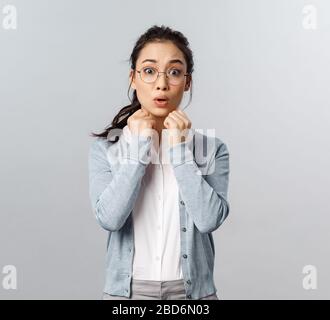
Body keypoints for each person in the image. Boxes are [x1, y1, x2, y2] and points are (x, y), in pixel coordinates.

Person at [89, 25, 230, 300]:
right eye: (149, 71)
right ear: (133, 78)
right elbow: (109, 218)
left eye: (174, 72)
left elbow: (208, 219)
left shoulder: (212, 148)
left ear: (187, 82)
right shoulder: (107, 148)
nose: (162, 84)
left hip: (193, 296)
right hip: (127, 296)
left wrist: (178, 151)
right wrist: (139, 148)